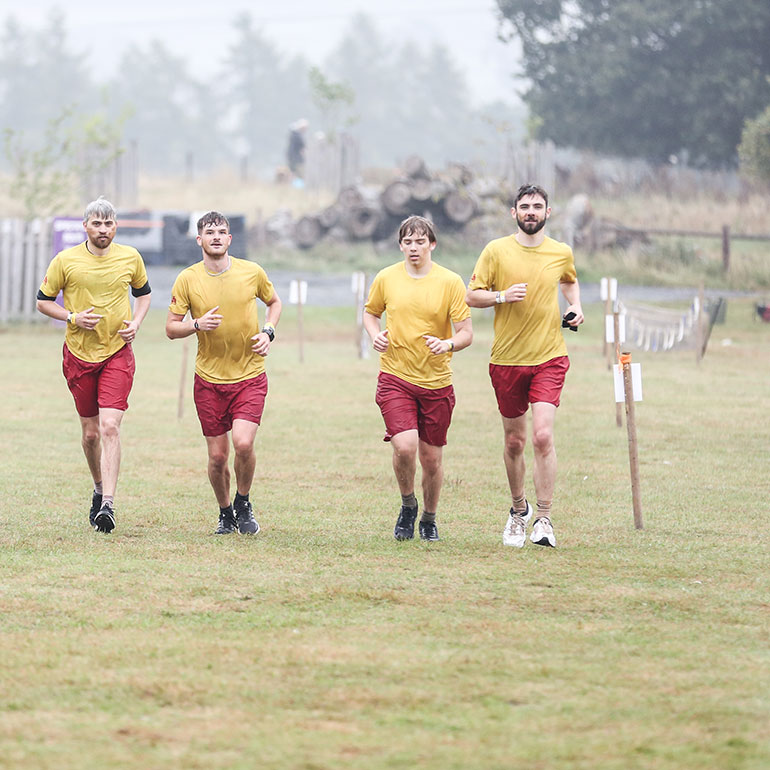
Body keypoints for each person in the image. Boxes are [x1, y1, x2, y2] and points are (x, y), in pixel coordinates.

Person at [466, 183, 583, 549]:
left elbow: (569, 282)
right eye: (524, 206)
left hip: (549, 356)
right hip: (506, 360)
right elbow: (471, 295)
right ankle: (519, 511)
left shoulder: (560, 252)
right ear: (513, 213)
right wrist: (502, 295)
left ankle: (544, 519)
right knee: (515, 441)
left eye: (537, 206)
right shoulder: (496, 251)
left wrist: (576, 308)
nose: (530, 211)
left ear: (548, 213)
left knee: (542, 435)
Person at [36, 196, 152, 533]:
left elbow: (143, 294)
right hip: (79, 356)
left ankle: (108, 505)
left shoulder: (131, 257)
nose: (103, 230)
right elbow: (43, 302)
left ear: (116, 226)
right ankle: (99, 486)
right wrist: (71, 316)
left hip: (117, 352)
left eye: (109, 224)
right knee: (90, 435)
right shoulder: (66, 260)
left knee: (110, 427)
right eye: (97, 224)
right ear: (85, 226)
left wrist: (137, 322)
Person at [165, 211, 282, 535]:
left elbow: (274, 303)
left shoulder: (251, 272)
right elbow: (171, 328)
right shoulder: (188, 279)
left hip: (249, 376)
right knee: (217, 458)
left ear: (230, 239)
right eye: (209, 232)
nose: (216, 237)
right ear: (199, 240)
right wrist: (197, 324)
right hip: (209, 380)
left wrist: (268, 332)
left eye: (221, 232)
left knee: (243, 444)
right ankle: (225, 512)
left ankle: (243, 501)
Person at [364, 215, 473, 542]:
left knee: (432, 459)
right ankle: (408, 504)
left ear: (432, 245)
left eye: (420, 241)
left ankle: (429, 517)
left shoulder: (450, 282)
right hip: (396, 376)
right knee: (405, 446)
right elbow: (371, 313)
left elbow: (466, 333)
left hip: (436, 383)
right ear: (400, 245)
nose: (413, 248)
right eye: (408, 242)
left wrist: (448, 343)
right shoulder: (386, 277)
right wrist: (374, 335)